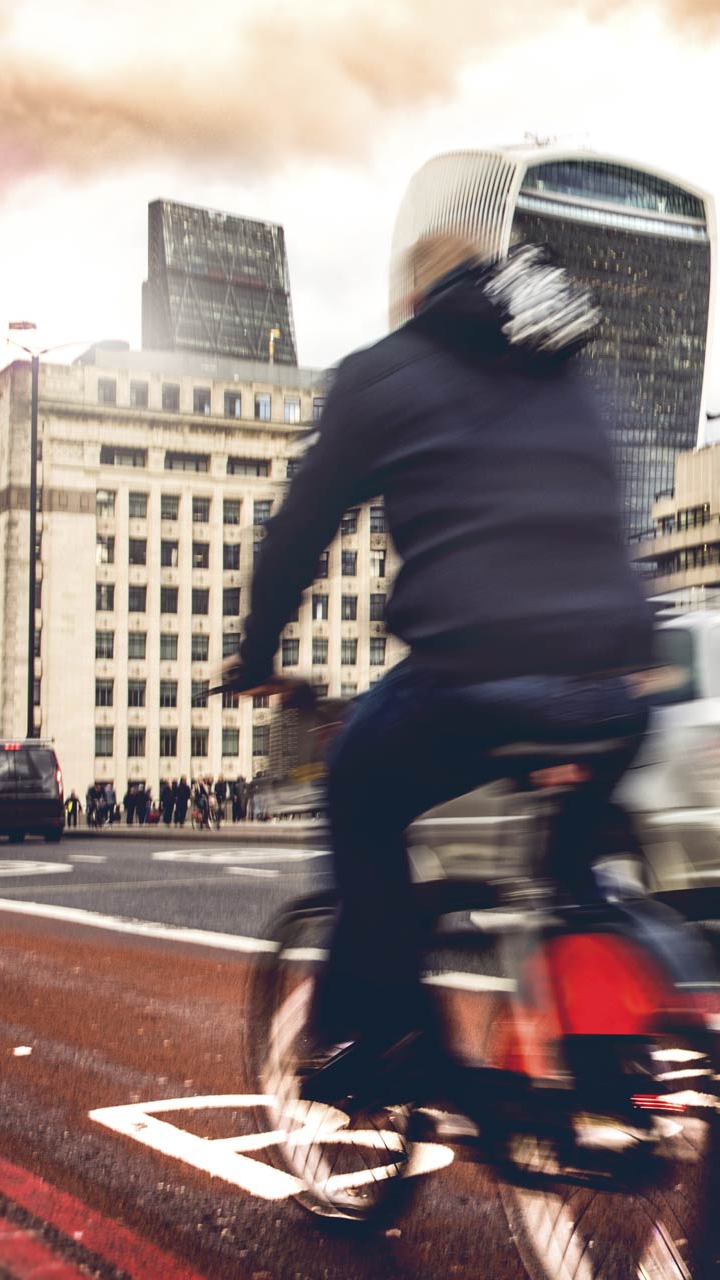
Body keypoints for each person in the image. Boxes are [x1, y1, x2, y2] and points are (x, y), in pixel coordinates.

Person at [220, 225, 654, 1103]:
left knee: (358, 789)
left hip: (474, 675)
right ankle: (613, 1070)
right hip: (616, 685)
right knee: (571, 876)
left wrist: (256, 651)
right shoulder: (566, 367)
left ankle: (392, 1042)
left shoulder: (386, 371)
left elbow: (301, 529)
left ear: (414, 298)